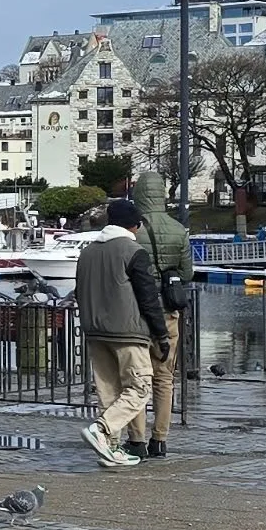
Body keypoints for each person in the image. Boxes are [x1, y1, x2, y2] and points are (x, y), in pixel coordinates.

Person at [75, 198, 171, 470]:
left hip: (95, 331)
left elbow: (80, 290)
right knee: (139, 387)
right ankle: (103, 430)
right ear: (135, 225)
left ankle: (112, 449)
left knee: (108, 392)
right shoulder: (133, 251)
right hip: (128, 332)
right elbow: (148, 298)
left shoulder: (87, 252)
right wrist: (160, 335)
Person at [123, 172, 195, 461]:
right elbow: (187, 273)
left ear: (138, 194)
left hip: (136, 313)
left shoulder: (131, 232)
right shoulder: (179, 230)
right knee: (164, 378)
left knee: (136, 378)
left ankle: (136, 439)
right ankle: (160, 440)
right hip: (168, 313)